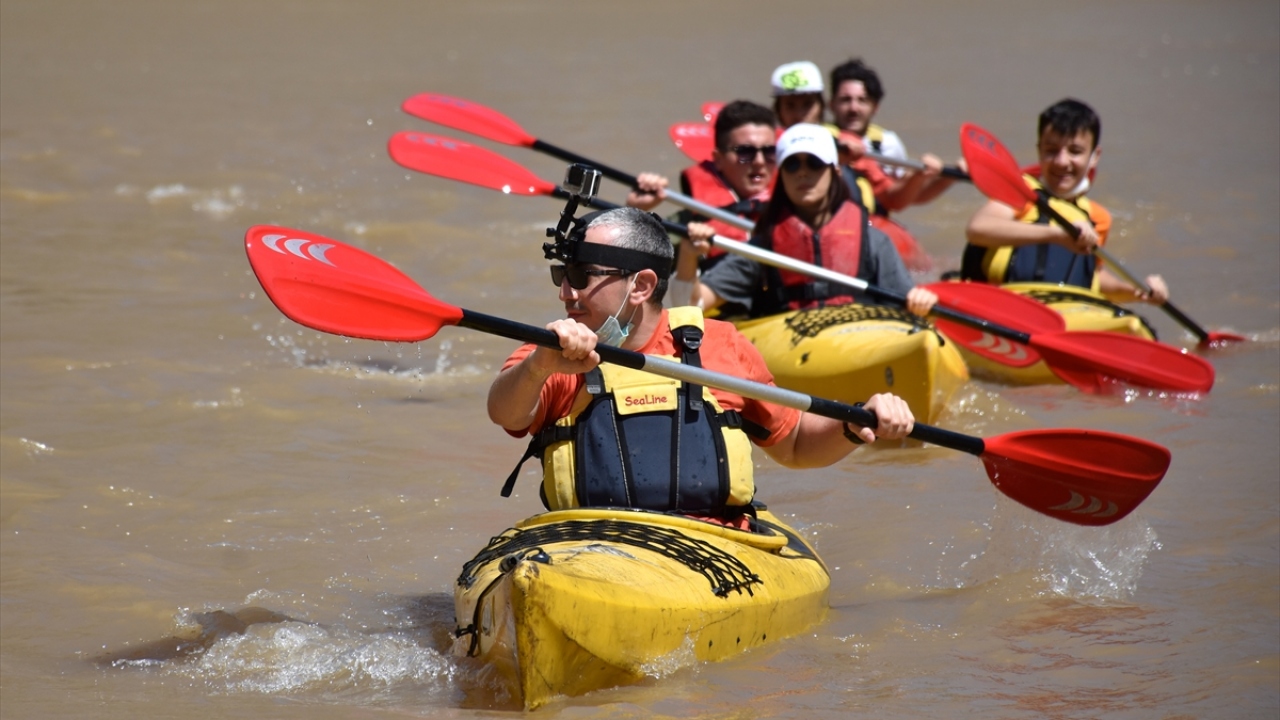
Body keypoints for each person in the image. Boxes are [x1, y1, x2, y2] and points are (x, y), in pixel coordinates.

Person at [488, 206, 916, 521]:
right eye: (560, 275)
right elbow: (504, 411)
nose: (566, 292)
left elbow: (797, 443)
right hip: (594, 545)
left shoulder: (721, 344)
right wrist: (541, 366)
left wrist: (856, 420)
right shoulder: (552, 349)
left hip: (707, 545)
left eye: (581, 276)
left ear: (641, 286)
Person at [680, 124, 938, 317]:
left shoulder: (873, 241)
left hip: (860, 334)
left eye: (814, 163)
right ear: (781, 176)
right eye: (792, 165)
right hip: (789, 343)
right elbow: (692, 305)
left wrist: (919, 302)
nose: (803, 172)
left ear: (835, 171)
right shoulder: (764, 247)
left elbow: (906, 305)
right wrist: (689, 257)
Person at [961, 98, 1169, 304]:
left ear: (1095, 156)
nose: (1061, 161)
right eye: (1051, 151)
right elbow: (978, 229)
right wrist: (1056, 235)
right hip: (1002, 305)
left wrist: (1137, 291)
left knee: (1134, 326)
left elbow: (1092, 279)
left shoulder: (1098, 218)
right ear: (1039, 150)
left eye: (1075, 151)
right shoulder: (1021, 191)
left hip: (1062, 315)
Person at [627, 101, 779, 301]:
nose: (759, 161)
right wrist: (634, 212)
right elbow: (628, 270)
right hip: (722, 316)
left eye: (768, 151)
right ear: (718, 159)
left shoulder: (797, 204)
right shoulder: (693, 220)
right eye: (745, 152)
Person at [828, 57, 960, 209]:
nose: (853, 108)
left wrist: (946, 178)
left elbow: (907, 197)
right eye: (845, 100)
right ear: (831, 105)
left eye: (862, 100)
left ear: (875, 106)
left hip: (873, 221)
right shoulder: (819, 139)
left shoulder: (888, 143)